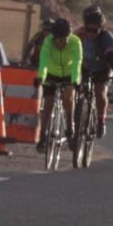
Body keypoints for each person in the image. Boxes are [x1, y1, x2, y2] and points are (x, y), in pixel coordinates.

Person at [34, 17, 82, 152]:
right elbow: (43, 61)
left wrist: (75, 81)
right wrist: (40, 78)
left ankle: (70, 125)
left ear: (69, 36)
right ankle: (43, 136)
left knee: (68, 96)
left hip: (68, 73)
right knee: (48, 103)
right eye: (57, 39)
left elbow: (77, 64)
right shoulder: (48, 41)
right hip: (52, 72)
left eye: (63, 40)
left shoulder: (75, 42)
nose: (60, 43)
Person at [76, 4, 113, 138]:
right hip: (85, 66)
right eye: (88, 29)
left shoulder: (106, 37)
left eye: (94, 31)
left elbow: (111, 55)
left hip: (104, 67)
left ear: (101, 29)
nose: (90, 34)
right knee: (75, 87)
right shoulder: (79, 34)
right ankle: (77, 117)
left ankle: (101, 121)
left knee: (100, 91)